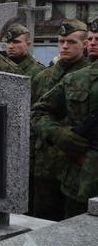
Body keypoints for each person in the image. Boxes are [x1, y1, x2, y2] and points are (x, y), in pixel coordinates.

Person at [30, 19, 90, 220]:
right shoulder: (42, 76)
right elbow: (33, 117)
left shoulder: (88, 77)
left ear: (84, 44)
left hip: (76, 166)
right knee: (41, 220)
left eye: (71, 42)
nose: (65, 46)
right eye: (61, 41)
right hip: (44, 165)